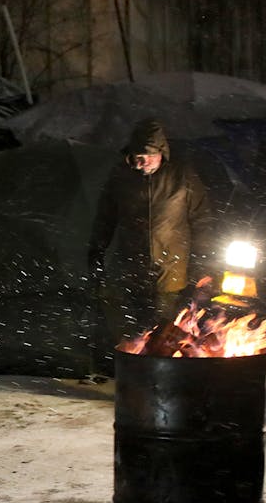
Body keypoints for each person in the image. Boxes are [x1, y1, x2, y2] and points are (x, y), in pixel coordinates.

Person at [87, 118, 214, 349]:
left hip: (171, 269)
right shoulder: (121, 177)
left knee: (165, 330)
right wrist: (96, 249)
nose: (141, 162)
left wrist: (203, 261)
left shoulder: (181, 176)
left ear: (161, 153)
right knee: (135, 331)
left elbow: (202, 219)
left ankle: (162, 373)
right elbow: (105, 218)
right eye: (137, 157)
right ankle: (135, 372)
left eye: (147, 157)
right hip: (132, 268)